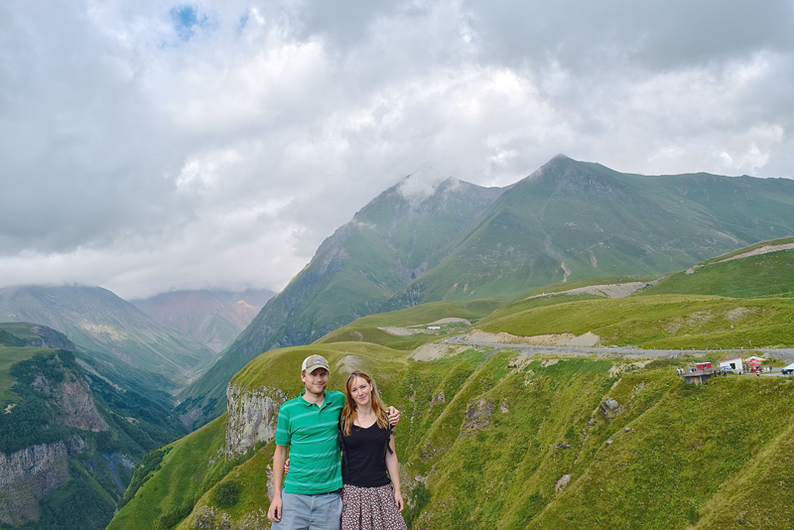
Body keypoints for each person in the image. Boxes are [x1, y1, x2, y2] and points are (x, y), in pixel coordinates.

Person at [267, 355, 400, 530]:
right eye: (313, 374)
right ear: (303, 377)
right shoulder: (288, 410)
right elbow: (280, 452)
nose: (318, 379)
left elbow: (363, 404)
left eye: (323, 374)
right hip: (294, 496)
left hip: (329, 498)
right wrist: (277, 495)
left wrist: (390, 412)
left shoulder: (338, 402)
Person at [339, 370, 407, 530]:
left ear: (371, 386)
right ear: (350, 395)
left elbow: (390, 456)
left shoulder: (386, 420)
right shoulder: (344, 421)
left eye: (363, 387)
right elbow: (329, 449)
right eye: (354, 390)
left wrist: (397, 491)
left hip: (381, 491)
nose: (360, 393)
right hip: (352, 492)